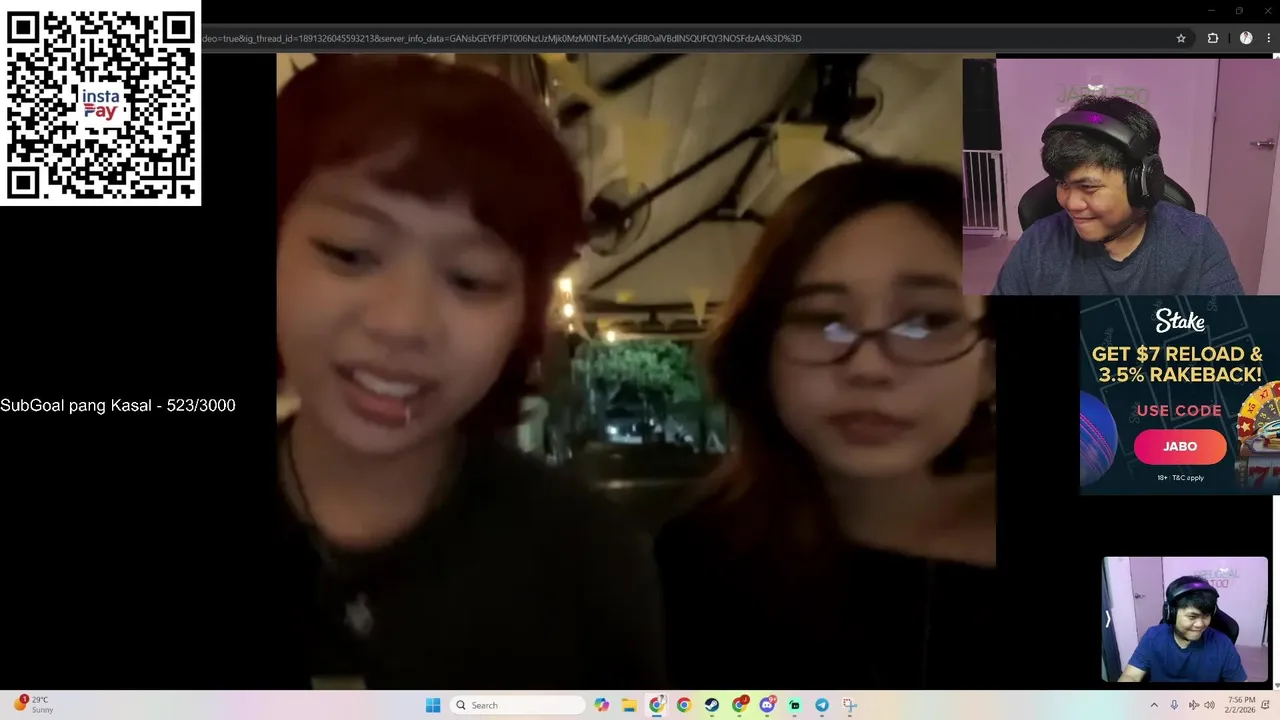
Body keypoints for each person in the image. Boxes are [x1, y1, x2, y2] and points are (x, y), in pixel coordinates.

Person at [275, 55, 665, 688]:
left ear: (523, 318)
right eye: (350, 253)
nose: (403, 324)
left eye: (471, 279)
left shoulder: (588, 560)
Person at [655, 159, 998, 688]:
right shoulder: (693, 563)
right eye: (824, 320)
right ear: (762, 350)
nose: (869, 366)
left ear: (990, 363)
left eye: (927, 320)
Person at [991, 96, 1244, 295]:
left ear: (1143, 182)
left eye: (1088, 187)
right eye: (1062, 184)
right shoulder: (1036, 244)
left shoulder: (1196, 240)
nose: (1071, 203)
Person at [1117, 576, 1248, 683]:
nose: (1200, 624)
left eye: (1206, 615)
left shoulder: (1222, 644)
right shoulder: (1153, 637)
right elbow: (1131, 676)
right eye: (1192, 616)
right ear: (1171, 614)